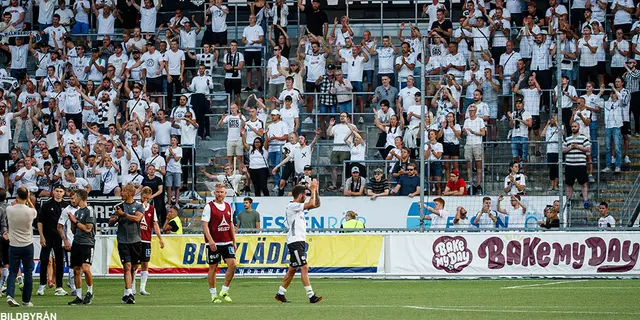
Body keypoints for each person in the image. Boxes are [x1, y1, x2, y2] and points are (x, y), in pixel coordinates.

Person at [274, 180, 322, 303]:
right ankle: (311, 295)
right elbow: (311, 204)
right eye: (304, 195)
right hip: (295, 241)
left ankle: (280, 293)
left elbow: (316, 204)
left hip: (298, 241)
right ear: (300, 195)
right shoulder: (292, 206)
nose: (305, 197)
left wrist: (315, 191)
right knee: (304, 267)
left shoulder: (298, 208)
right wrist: (313, 191)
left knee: (292, 269)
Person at [108, 185, 144, 304]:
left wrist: (123, 215)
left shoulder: (139, 206)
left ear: (129, 193)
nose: (121, 193)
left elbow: (137, 219)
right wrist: (117, 217)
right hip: (123, 241)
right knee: (127, 266)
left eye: (123, 191)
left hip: (136, 240)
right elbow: (111, 221)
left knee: (133, 268)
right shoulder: (119, 207)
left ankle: (127, 291)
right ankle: (129, 293)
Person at [202, 183, 237, 303]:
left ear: (225, 193)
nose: (219, 194)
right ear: (214, 193)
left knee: (232, 265)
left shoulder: (228, 206)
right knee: (213, 267)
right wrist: (210, 240)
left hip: (227, 241)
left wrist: (234, 240)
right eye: (217, 192)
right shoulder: (209, 207)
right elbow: (205, 225)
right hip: (214, 243)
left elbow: (231, 224)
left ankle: (224, 290)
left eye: (221, 192)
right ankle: (213, 294)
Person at [4, 187, 37, 307]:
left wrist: (19, 199)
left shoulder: (10, 209)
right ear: (27, 196)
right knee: (28, 273)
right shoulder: (30, 211)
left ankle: (9, 295)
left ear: (17, 196)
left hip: (14, 245)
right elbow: (34, 210)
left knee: (12, 271)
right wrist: (28, 199)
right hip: (27, 244)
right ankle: (26, 301)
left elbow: (12, 205)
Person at [37, 185, 68, 296]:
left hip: (60, 237)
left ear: (64, 193)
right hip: (47, 236)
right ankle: (41, 285)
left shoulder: (66, 206)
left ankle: (59, 287)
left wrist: (66, 238)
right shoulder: (46, 205)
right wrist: (41, 236)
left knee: (60, 261)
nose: (58, 193)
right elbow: (40, 222)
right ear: (53, 192)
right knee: (44, 260)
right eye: (57, 191)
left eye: (61, 191)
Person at [65, 190, 95, 305]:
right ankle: (78, 295)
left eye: (75, 197)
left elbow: (88, 228)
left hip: (87, 243)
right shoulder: (77, 212)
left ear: (80, 198)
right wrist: (72, 222)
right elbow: (73, 230)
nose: (73, 200)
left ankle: (90, 292)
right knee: (76, 270)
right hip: (76, 243)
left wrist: (75, 221)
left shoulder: (89, 211)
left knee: (86, 269)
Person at [136, 186, 164, 295]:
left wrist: (160, 238)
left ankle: (142, 288)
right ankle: (132, 287)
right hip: (136, 239)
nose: (146, 200)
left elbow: (155, 224)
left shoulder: (152, 209)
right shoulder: (137, 206)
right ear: (141, 196)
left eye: (148, 198)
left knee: (145, 263)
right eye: (144, 198)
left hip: (147, 240)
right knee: (134, 264)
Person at [563, 122, 592, 209]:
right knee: (569, 184)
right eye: (572, 127)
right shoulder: (567, 139)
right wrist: (570, 148)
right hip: (569, 165)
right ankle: (568, 201)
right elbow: (562, 150)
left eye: (575, 126)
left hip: (580, 165)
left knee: (584, 183)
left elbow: (588, 149)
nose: (573, 128)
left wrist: (578, 147)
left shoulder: (584, 138)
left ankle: (586, 200)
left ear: (578, 127)